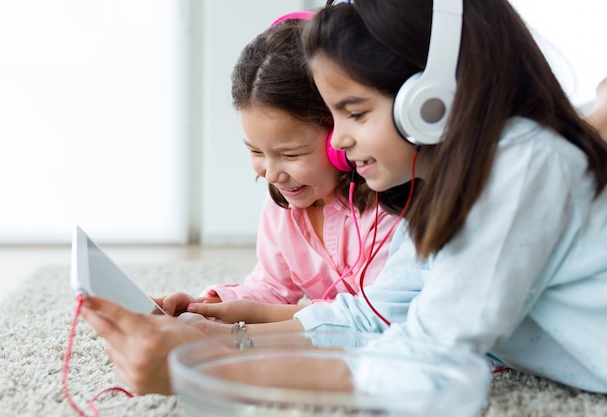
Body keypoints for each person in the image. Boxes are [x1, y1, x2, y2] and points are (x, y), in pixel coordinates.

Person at [82, 0, 607, 398]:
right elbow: (374, 318)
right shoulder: (449, 180)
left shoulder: (521, 166)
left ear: (431, 103)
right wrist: (216, 337)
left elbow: (432, 371)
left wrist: (200, 371)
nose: (339, 140)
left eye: (354, 113)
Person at [154, 14, 402, 319]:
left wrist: (258, 323)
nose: (270, 174)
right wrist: (204, 307)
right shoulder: (284, 205)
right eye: (256, 151)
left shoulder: (387, 206)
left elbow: (376, 316)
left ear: (338, 133)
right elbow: (271, 288)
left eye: (291, 154)